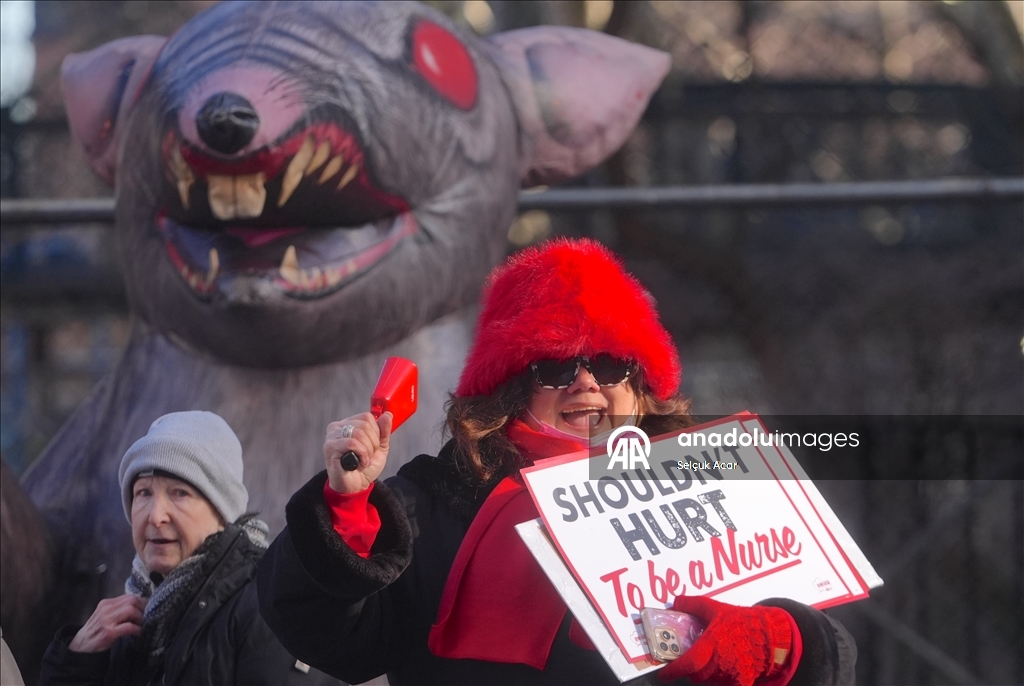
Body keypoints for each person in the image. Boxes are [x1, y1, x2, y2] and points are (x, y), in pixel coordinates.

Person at [257, 239, 857, 685]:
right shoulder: (433, 505)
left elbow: (831, 649)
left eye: (611, 363)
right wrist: (347, 511)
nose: (586, 383)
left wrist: (773, 645)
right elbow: (328, 636)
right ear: (509, 388)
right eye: (556, 366)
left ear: (640, 386)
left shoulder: (712, 485)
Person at [39, 411, 340, 686]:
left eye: (179, 493)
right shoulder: (130, 618)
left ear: (222, 512)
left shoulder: (270, 605)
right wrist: (76, 661)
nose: (155, 516)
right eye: (143, 493)